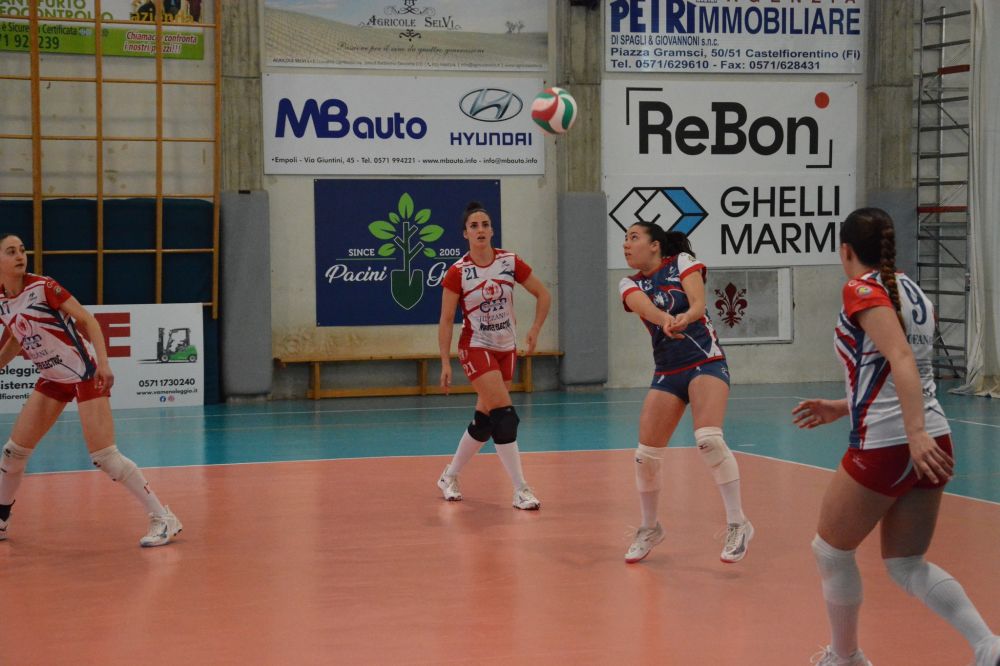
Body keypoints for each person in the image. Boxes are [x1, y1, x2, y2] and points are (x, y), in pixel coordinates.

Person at [791, 208, 1000, 666]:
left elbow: (901, 358)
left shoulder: (860, 289)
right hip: (934, 436)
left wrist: (913, 433)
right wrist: (844, 405)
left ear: (845, 249)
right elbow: (897, 370)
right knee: (906, 563)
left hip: (892, 442)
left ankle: (845, 657)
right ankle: (988, 645)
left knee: (830, 550)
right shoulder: (911, 290)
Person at [0, 234, 182, 548]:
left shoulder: (43, 287)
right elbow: (17, 337)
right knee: (13, 453)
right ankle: (1, 519)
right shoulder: (3, 300)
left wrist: (104, 364)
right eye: (11, 252)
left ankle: (163, 517)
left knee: (105, 456)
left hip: (84, 373)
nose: (20, 256)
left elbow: (88, 320)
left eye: (22, 250)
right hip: (53, 377)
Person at [618, 221, 752, 564]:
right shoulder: (629, 283)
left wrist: (686, 317)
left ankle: (738, 523)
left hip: (705, 361)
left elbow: (697, 305)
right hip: (668, 370)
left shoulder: (681, 262)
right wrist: (664, 318)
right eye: (625, 239)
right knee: (645, 456)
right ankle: (650, 528)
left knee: (708, 439)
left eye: (634, 237)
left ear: (655, 245)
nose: (626, 244)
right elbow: (643, 308)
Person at [436, 201, 550, 509]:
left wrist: (535, 329)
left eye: (485, 224)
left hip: (506, 348)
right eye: (474, 226)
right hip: (475, 346)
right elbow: (446, 319)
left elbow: (543, 294)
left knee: (484, 422)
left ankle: (449, 476)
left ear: (492, 230)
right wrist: (445, 361)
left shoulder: (509, 262)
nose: (480, 230)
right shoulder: (458, 272)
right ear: (465, 234)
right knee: (505, 416)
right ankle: (521, 489)